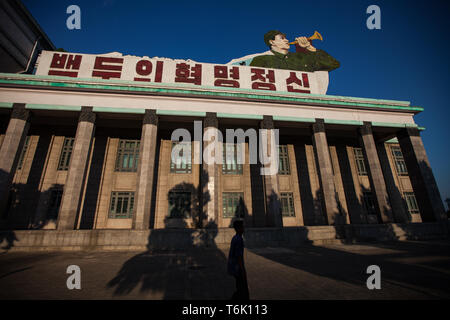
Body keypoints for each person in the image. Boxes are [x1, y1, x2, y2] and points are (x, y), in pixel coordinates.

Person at [250, 30, 340, 72]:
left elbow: (334, 64)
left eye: (286, 38)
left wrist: (309, 48)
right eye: (282, 38)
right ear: (272, 42)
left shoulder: (302, 58)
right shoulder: (261, 60)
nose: (287, 40)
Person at [228, 219, 249, 300]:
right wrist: (243, 271)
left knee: (239, 288)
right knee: (242, 290)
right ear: (238, 228)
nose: (244, 229)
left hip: (234, 267)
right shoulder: (239, 239)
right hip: (238, 268)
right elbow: (239, 257)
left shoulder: (235, 237)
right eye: (242, 227)